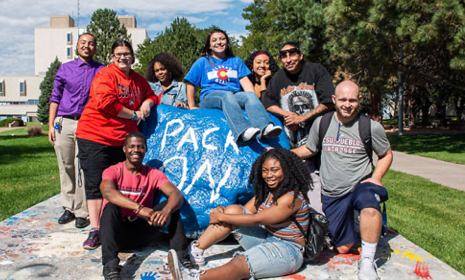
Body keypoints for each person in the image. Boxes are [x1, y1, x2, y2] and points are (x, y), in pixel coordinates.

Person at [292, 81, 393, 280]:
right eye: (343, 100)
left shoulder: (370, 127)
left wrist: (376, 178)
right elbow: (310, 149)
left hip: (359, 184)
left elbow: (386, 154)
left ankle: (367, 262)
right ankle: (357, 222)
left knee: (370, 204)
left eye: (352, 100)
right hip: (332, 191)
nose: (347, 104)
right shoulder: (322, 123)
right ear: (334, 100)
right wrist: (283, 154)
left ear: (360, 100)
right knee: (343, 248)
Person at [168, 147, 312, 280]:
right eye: (265, 170)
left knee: (241, 261)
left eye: (275, 170)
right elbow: (243, 213)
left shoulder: (291, 197)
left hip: (289, 250)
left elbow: (257, 219)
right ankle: (194, 253)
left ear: (286, 171)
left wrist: (220, 216)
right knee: (233, 210)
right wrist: (222, 211)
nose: (269, 175)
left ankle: (192, 277)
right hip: (266, 238)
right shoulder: (267, 192)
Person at [76, 40, 159, 250]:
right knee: (97, 183)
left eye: (127, 54)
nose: (123, 58)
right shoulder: (105, 75)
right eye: (118, 54)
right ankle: (95, 230)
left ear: (133, 56)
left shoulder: (138, 80)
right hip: (95, 135)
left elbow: (151, 95)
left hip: (121, 140)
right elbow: (106, 102)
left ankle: (112, 225)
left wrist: (147, 103)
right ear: (113, 57)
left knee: (121, 183)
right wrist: (133, 113)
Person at [100, 131, 189, 280]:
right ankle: (111, 267)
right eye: (132, 146)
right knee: (110, 207)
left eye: (140, 147)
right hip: (116, 234)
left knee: (171, 205)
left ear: (146, 150)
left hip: (143, 231)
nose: (136, 150)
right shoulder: (113, 170)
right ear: (124, 149)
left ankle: (181, 258)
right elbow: (108, 192)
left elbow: (176, 194)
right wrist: (140, 209)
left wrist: (166, 211)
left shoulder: (153, 173)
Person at [262, 42, 335, 213]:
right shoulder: (279, 78)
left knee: (326, 180)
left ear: (300, 55)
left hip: (320, 136)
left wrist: (302, 117)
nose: (288, 59)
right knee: (303, 179)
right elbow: (268, 103)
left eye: (292, 54)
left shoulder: (316, 70)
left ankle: (327, 219)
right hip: (295, 141)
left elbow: (328, 101)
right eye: (283, 56)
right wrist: (287, 115)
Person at [184, 29, 282, 145]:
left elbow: (247, 86)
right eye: (214, 40)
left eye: (222, 39)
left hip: (234, 95)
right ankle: (243, 131)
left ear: (227, 42)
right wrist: (192, 106)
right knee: (226, 95)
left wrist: (254, 101)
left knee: (249, 95)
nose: (219, 42)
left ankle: (264, 127)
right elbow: (190, 83)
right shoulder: (203, 62)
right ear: (209, 46)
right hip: (210, 97)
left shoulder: (236, 61)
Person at [48, 33, 104, 229]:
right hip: (64, 122)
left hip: (88, 123)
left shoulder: (102, 71)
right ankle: (68, 207)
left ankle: (82, 211)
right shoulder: (65, 69)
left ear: (95, 47)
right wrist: (51, 125)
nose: (87, 46)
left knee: (83, 166)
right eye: (83, 43)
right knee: (65, 165)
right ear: (77, 46)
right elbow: (55, 98)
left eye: (91, 43)